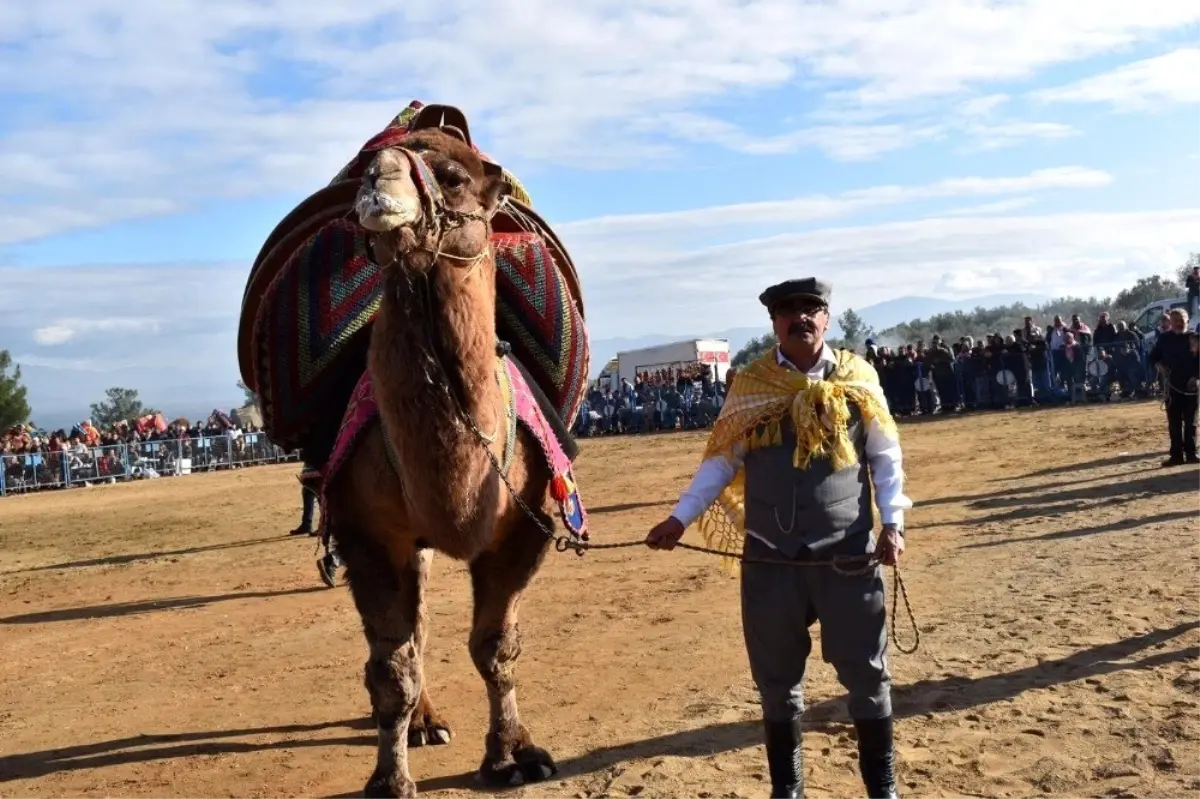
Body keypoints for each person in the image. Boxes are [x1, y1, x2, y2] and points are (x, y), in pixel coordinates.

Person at [645, 278, 911, 799]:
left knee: (868, 675)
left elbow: (886, 457)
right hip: (770, 559)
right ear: (774, 323)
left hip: (848, 555)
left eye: (811, 309)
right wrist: (680, 518)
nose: (801, 318)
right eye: (789, 311)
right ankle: (786, 790)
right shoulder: (751, 384)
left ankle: (883, 788)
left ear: (827, 318)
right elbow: (721, 461)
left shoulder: (858, 378)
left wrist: (894, 524)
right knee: (777, 682)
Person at [1147, 308, 1198, 466]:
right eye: (1175, 320)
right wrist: (1159, 366)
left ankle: (1191, 453)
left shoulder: (1194, 338)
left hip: (1191, 386)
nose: (1179, 322)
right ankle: (1176, 455)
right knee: (1174, 422)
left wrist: (1196, 377)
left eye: (1182, 319)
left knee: (1191, 422)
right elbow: (1153, 357)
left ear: (1187, 320)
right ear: (1171, 322)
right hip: (1172, 386)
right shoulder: (1164, 339)